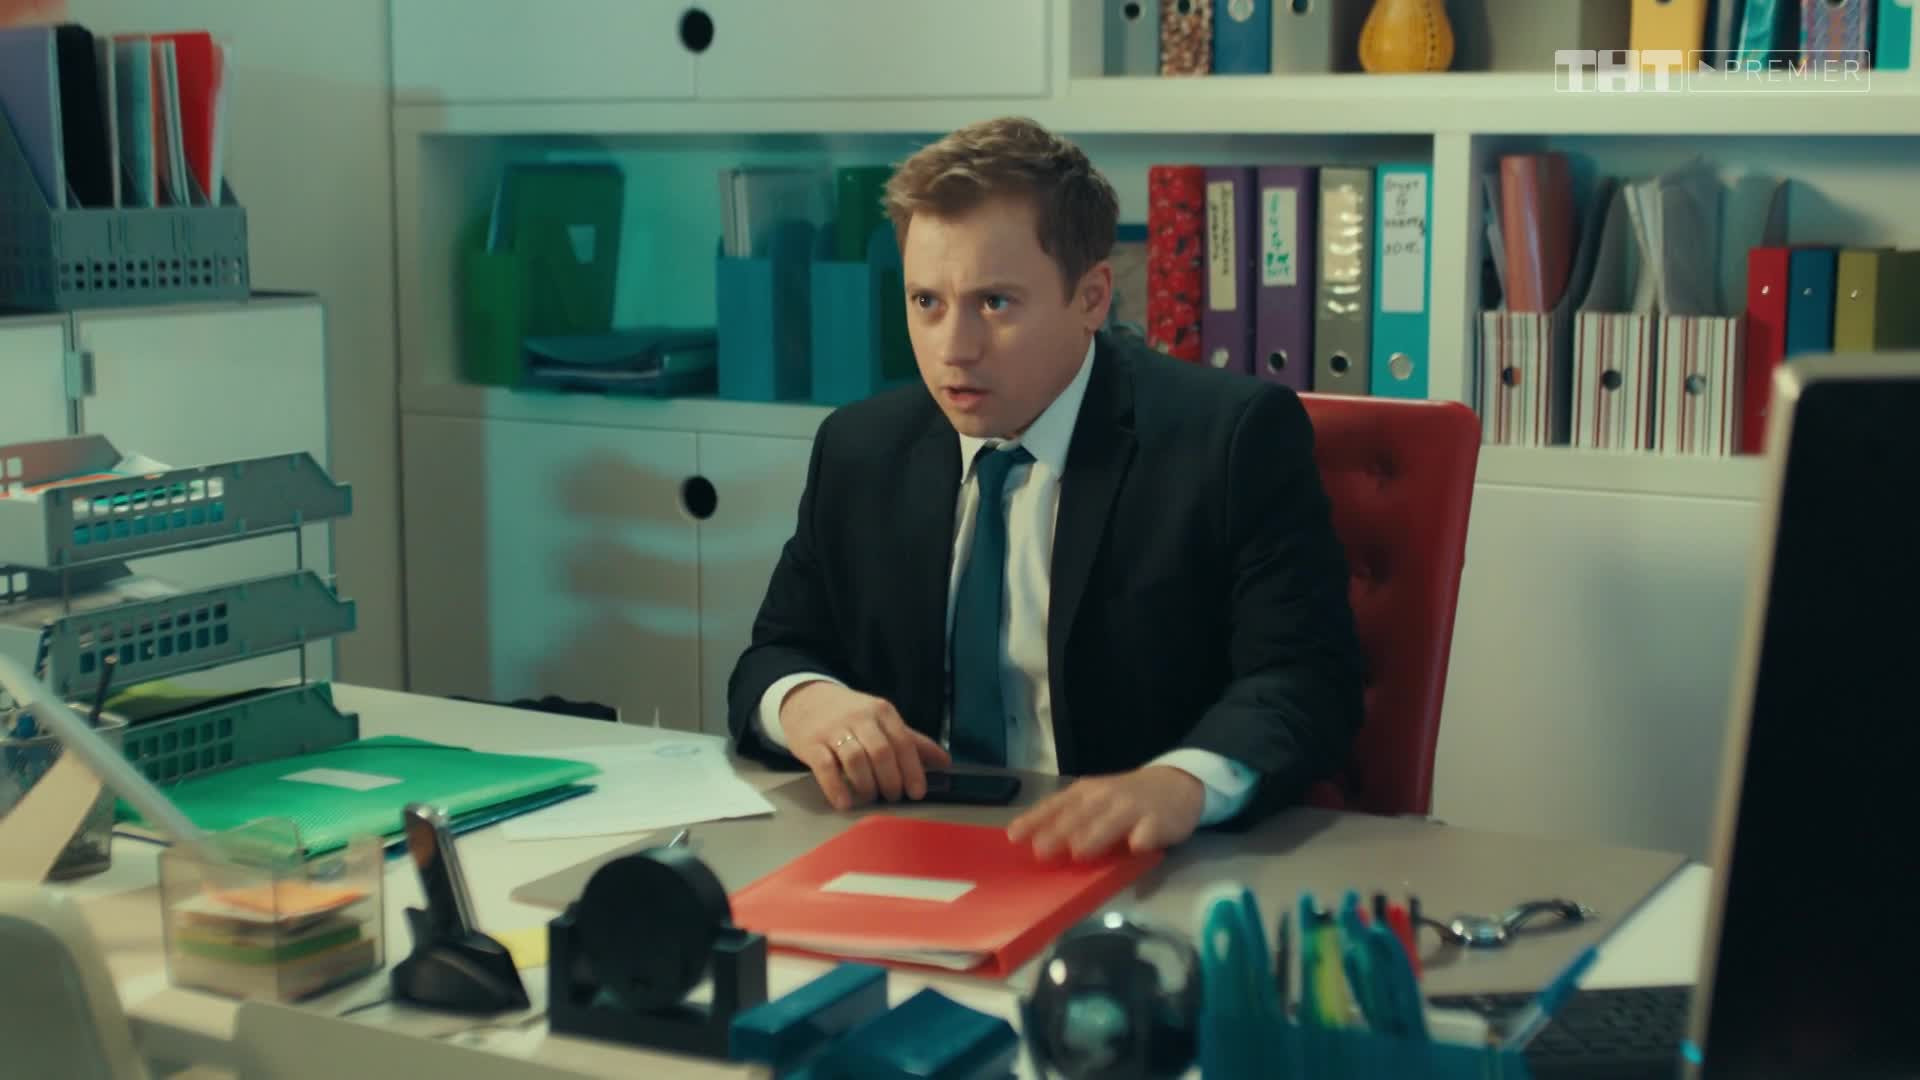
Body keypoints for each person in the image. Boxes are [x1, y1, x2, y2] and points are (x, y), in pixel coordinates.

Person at [727, 116, 1364, 859]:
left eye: (994, 303)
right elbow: (774, 656)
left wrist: (1180, 783)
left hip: (1135, 861)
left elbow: (1304, 680)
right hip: (910, 851)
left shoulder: (1228, 440)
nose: (953, 348)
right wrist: (808, 704)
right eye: (927, 302)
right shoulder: (859, 449)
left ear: (1091, 298)